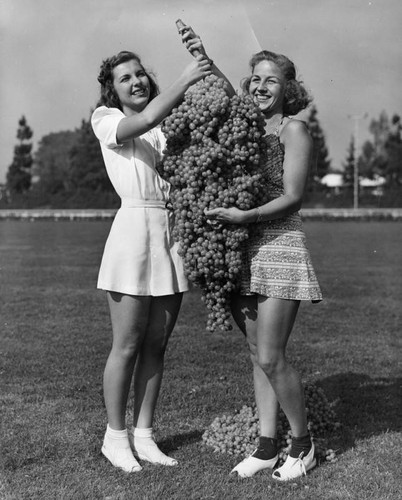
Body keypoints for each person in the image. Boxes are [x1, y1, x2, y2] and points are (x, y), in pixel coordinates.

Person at [91, 33, 224, 473]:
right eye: (125, 77)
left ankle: (144, 436)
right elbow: (144, 119)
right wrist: (186, 78)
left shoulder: (169, 125)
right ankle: (115, 438)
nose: (136, 81)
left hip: (171, 234)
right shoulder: (106, 118)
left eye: (140, 73)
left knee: (156, 344)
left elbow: (220, 109)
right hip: (131, 233)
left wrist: (204, 65)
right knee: (126, 345)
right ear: (114, 89)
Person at [205, 50, 323, 481]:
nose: (260, 87)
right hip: (243, 247)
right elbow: (221, 86)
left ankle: (304, 446)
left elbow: (293, 196)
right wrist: (203, 56)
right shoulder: (249, 124)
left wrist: (247, 216)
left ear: (288, 88)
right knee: (257, 354)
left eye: (271, 81)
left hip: (280, 245)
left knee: (272, 355)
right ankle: (266, 446)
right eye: (255, 79)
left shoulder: (295, 130)